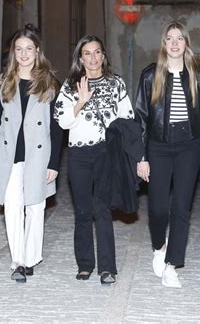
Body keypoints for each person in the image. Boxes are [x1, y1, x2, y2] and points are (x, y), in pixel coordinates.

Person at [135, 20, 200, 288]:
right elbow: (142, 118)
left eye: (179, 38)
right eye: (169, 38)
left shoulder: (197, 75)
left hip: (188, 147)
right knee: (158, 209)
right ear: (163, 43)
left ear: (186, 44)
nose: (174, 43)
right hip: (158, 147)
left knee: (181, 208)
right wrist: (142, 157)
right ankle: (159, 246)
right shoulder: (150, 75)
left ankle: (172, 265)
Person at [0, 24, 62, 283]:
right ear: (13, 53)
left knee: (35, 207)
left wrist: (54, 163)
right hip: (8, 155)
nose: (24, 54)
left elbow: (56, 126)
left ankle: (30, 259)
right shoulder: (4, 80)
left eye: (29, 49)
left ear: (37, 51)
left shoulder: (49, 82)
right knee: (12, 207)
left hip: (37, 156)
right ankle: (18, 260)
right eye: (19, 49)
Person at [54, 35, 134, 285]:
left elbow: (128, 117)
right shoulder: (70, 85)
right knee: (82, 211)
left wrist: (127, 151)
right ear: (80, 58)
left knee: (102, 209)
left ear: (103, 55)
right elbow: (62, 121)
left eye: (97, 52)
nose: (93, 58)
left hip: (105, 153)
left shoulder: (115, 83)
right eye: (87, 53)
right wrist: (79, 103)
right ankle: (85, 264)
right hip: (79, 154)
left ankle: (107, 268)